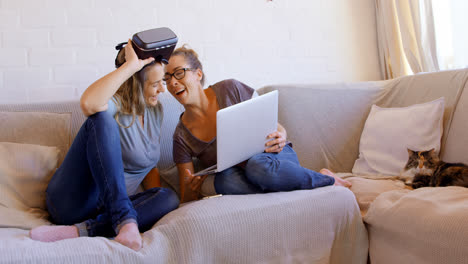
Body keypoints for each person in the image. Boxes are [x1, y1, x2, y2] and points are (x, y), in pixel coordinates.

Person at [29, 39, 180, 251]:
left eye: (162, 81)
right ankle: (125, 221)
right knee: (99, 119)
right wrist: (131, 67)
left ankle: (81, 231)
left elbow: (148, 167)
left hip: (103, 212)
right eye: (155, 84)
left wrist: (154, 203)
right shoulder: (115, 104)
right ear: (136, 83)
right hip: (73, 200)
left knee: (169, 198)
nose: (162, 89)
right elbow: (90, 104)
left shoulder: (155, 111)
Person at [163, 45, 352, 202]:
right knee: (224, 181)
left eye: (179, 73)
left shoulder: (230, 88)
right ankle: (297, 185)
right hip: (239, 174)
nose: (172, 82)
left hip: (272, 158)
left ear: (198, 74)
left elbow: (274, 125)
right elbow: (187, 197)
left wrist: (282, 135)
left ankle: (326, 180)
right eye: (167, 78)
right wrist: (192, 186)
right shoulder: (181, 136)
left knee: (257, 166)